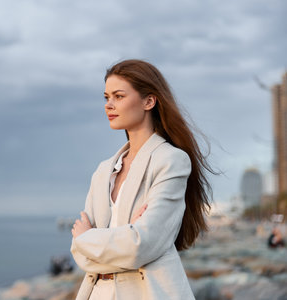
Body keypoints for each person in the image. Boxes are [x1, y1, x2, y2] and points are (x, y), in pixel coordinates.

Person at [70, 59, 215, 300]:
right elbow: (80, 252)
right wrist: (123, 238)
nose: (109, 105)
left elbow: (142, 243)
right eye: (106, 97)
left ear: (149, 101)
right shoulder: (103, 171)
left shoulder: (171, 161)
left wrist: (91, 238)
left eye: (118, 96)